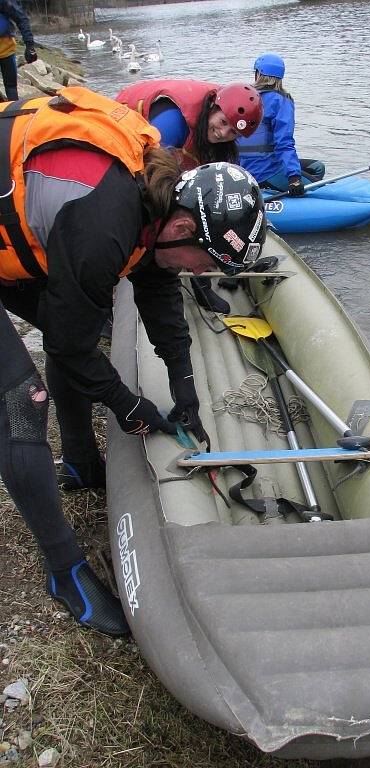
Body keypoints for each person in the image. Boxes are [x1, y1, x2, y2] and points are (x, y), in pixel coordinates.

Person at [0, 86, 266, 636]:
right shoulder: (105, 227)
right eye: (203, 262)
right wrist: (129, 406)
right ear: (182, 229)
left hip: (19, 227)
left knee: (68, 325)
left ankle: (78, 463)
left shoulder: (155, 201)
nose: (198, 273)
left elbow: (159, 290)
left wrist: (183, 386)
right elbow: (74, 349)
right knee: (20, 400)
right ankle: (65, 571)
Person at [117, 79, 264, 313]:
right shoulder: (174, 122)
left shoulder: (218, 142)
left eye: (233, 132)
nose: (223, 132)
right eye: (223, 122)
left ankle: (201, 283)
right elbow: (148, 170)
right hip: (132, 151)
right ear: (214, 108)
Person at [237, 53, 325, 196]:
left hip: (243, 168)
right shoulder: (281, 101)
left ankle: (281, 195)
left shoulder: (244, 97)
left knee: (317, 167)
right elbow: (284, 142)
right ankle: (296, 201)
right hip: (265, 172)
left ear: (258, 74)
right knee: (322, 190)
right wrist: (294, 178)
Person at [0, 0, 37, 101]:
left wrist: (29, 45)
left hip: (6, 50)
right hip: (6, 49)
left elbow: (21, 19)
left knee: (11, 87)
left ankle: (14, 111)